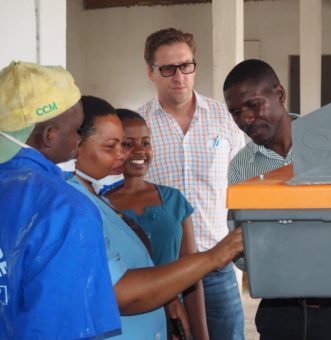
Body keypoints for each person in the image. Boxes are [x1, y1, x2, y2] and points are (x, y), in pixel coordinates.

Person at [68, 95, 243, 340]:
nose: (122, 154)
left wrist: (170, 299)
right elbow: (120, 291)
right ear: (75, 144)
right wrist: (214, 256)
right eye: (113, 146)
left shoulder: (98, 199)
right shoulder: (74, 204)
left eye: (126, 144)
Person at [224, 59, 331, 340]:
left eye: (253, 105)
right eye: (235, 112)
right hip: (280, 311)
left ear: (279, 94)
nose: (245, 119)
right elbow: (240, 249)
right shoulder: (242, 167)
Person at [139, 27, 246, 339]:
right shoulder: (137, 126)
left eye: (186, 65)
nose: (179, 76)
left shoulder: (224, 118)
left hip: (218, 267)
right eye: (168, 68)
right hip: (162, 270)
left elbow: (240, 186)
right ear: (151, 72)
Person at [0, 61, 120, 339]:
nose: (79, 138)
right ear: (49, 135)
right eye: (78, 129)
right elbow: (63, 326)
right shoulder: (67, 210)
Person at [106, 109, 209, 340]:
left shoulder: (174, 201)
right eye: (128, 143)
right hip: (127, 324)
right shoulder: (102, 205)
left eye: (146, 142)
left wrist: (201, 334)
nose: (140, 150)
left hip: (176, 323)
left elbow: (191, 275)